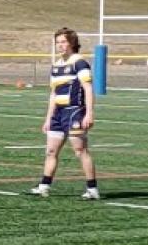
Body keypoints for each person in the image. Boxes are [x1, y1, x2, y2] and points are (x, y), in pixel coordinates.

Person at [30, 28, 100, 200]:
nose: (59, 45)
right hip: (58, 113)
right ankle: (44, 186)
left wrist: (89, 114)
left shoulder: (80, 63)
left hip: (75, 110)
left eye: (63, 42)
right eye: (58, 42)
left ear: (72, 43)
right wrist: (48, 119)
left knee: (80, 150)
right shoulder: (56, 65)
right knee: (51, 150)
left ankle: (92, 189)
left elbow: (88, 88)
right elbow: (53, 94)